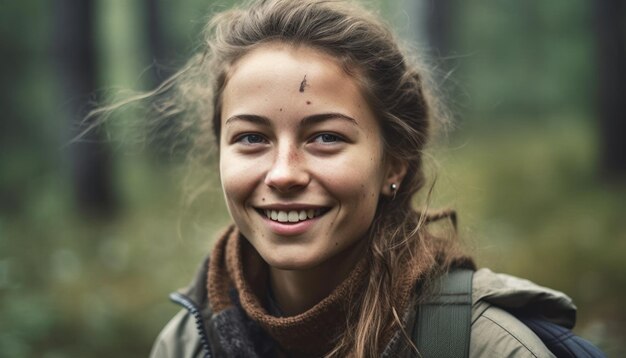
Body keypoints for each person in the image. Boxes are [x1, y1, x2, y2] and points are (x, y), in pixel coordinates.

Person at [132, 0, 604, 357]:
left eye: (326, 138)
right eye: (252, 139)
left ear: (394, 163)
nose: (283, 174)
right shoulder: (187, 343)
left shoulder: (484, 346)